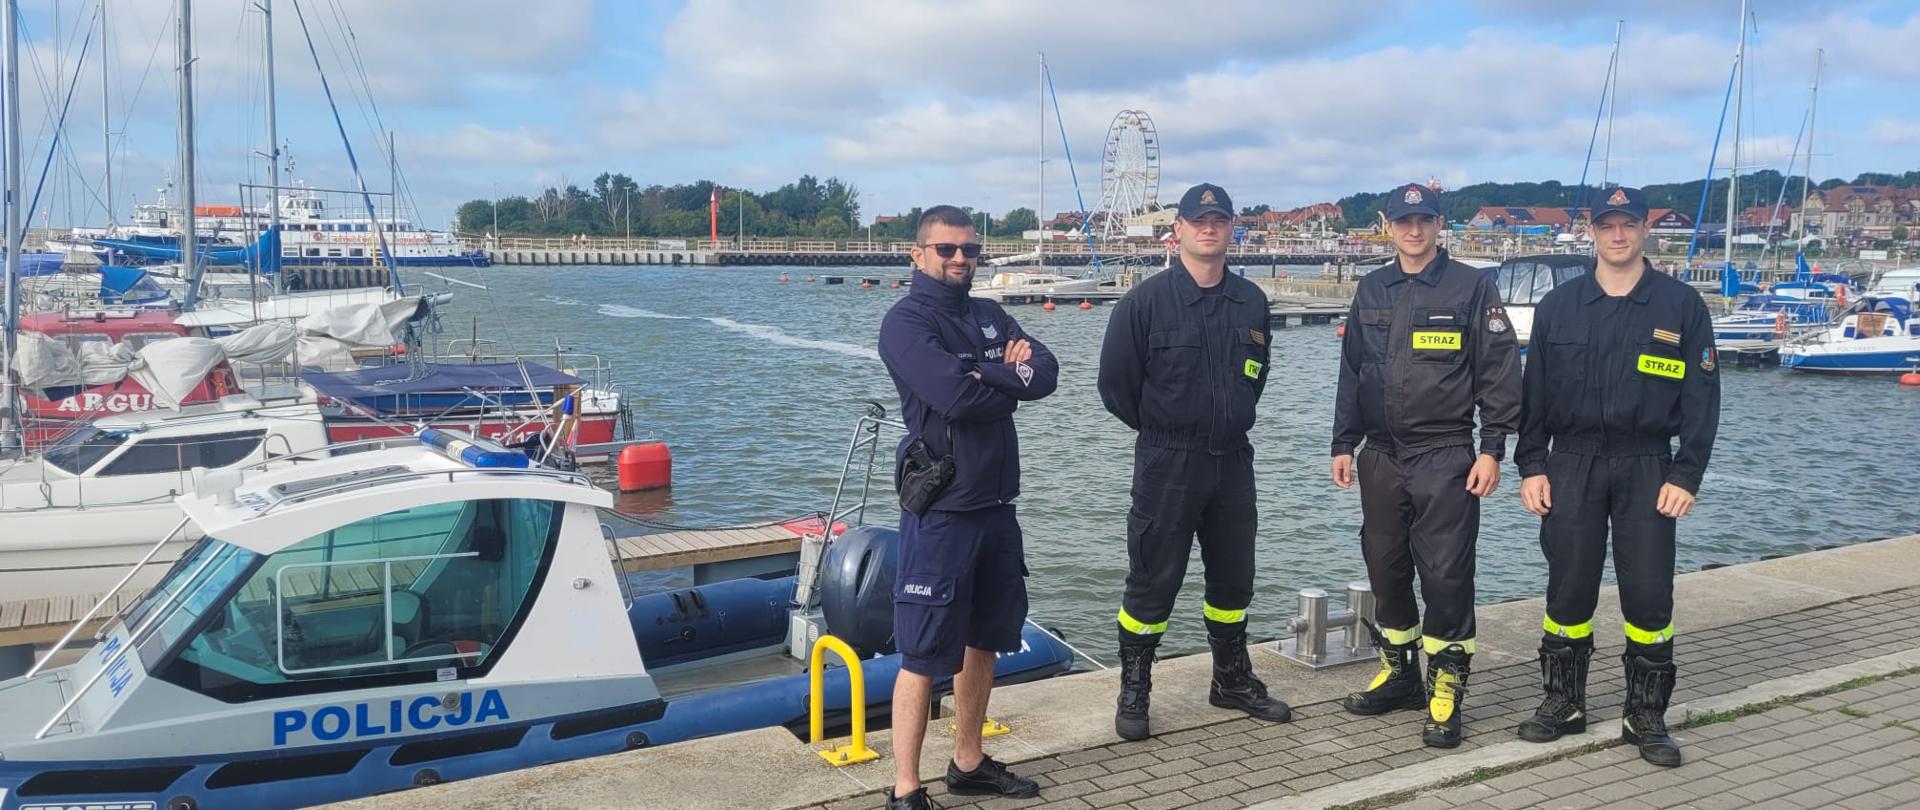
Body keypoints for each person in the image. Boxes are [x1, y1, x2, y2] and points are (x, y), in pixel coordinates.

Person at [1513, 186, 1720, 767]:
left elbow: (1703, 399)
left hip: (1647, 464)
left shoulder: (1680, 306)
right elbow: (1534, 397)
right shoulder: (1560, 306)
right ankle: (1564, 703)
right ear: (1593, 232)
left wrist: (1687, 475)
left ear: (1645, 229)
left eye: (1629, 224)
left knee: (1649, 592)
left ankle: (1645, 714)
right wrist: (1531, 465)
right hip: (1571, 462)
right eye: (1608, 226)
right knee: (1568, 588)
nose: (1619, 235)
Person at [876, 205, 1058, 809]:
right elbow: (955, 398)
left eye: (970, 249)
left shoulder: (989, 313)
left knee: (985, 640)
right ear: (918, 254)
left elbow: (1046, 372)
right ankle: (906, 788)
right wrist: (1002, 374)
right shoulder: (905, 323)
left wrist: (984, 373)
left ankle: (969, 760)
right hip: (943, 511)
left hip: (997, 507)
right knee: (922, 653)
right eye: (947, 249)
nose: (960, 258)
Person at [1097, 183, 1292, 742]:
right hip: (1168, 461)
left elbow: (1256, 376)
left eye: (1219, 220)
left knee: (1234, 578)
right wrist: (1167, 427)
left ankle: (1230, 680)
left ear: (1232, 229)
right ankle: (1135, 687)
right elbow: (1115, 387)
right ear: (1177, 230)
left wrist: (1226, 418)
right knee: (1152, 580)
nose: (1209, 228)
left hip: (1232, 461)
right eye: (1198, 220)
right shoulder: (1143, 303)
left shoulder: (1251, 302)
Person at [1330, 183, 1521, 748]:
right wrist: (1343, 442)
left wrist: (1492, 449)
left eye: (1424, 220)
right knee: (1385, 569)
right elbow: (1352, 370)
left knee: (1445, 574)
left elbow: (1499, 372)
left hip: (1446, 454)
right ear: (1388, 226)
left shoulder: (1470, 287)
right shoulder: (1372, 288)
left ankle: (1446, 687)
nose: (1414, 231)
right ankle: (1401, 674)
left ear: (1439, 225)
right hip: (1380, 456)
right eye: (1404, 222)